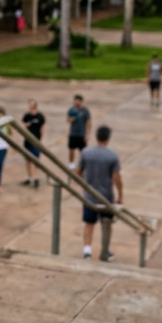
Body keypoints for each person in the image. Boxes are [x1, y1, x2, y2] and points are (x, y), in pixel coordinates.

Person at [76, 125, 121, 262]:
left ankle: (87, 250)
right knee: (106, 224)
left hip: (90, 195)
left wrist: (85, 183)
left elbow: (78, 172)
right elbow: (117, 178)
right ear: (108, 139)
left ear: (96, 137)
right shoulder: (112, 156)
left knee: (89, 223)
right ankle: (105, 250)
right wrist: (120, 195)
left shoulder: (86, 153)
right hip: (106, 196)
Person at [21, 99, 46, 187]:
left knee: (34, 160)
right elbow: (23, 125)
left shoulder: (40, 116)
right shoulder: (27, 116)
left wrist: (41, 138)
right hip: (28, 140)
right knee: (28, 159)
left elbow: (42, 127)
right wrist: (26, 125)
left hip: (35, 141)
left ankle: (35, 177)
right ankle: (30, 177)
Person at [65, 94, 91, 169]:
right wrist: (70, 119)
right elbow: (67, 120)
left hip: (82, 134)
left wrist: (87, 134)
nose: (76, 102)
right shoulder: (71, 110)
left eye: (78, 101)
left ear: (81, 101)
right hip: (73, 133)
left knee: (83, 151)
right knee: (71, 149)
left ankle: (82, 164)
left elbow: (88, 122)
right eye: (75, 101)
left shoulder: (85, 111)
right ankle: (71, 164)